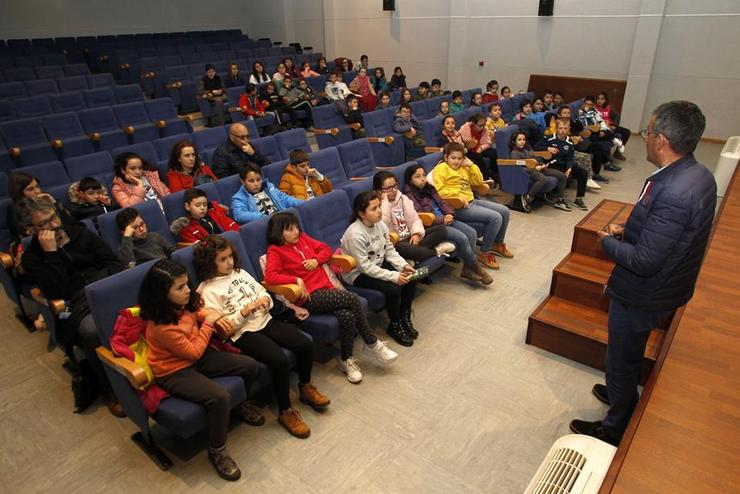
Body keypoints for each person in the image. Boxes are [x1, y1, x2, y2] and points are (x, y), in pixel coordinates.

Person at [569, 101, 716, 446]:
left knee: (621, 357)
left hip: (644, 292)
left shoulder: (675, 191)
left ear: (662, 140)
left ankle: (615, 426)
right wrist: (631, 229)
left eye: (648, 132)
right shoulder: (699, 175)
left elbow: (646, 261)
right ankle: (621, 395)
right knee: (628, 353)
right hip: (668, 285)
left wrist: (607, 242)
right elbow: (670, 233)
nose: (645, 138)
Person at [140, 259, 264, 481]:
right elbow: (195, 351)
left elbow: (196, 315)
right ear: (161, 293)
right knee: (219, 397)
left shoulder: (182, 305)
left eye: (187, 284)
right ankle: (217, 450)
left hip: (195, 356)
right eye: (180, 288)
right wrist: (209, 322)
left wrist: (207, 314)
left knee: (250, 365)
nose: (187, 290)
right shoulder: (161, 325)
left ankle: (241, 405)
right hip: (173, 370)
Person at [194, 236, 329, 439]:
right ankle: (286, 411)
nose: (230, 262)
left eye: (230, 256)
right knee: (279, 360)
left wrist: (266, 300)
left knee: (304, 342)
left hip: (265, 320)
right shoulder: (208, 290)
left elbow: (260, 290)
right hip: (243, 333)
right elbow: (225, 328)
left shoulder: (240, 272)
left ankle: (305, 387)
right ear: (209, 263)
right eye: (223, 259)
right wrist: (243, 313)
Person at [263, 212, 399, 384]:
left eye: (296, 227)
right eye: (290, 230)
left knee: (347, 315)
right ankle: (372, 343)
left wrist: (316, 259)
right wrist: (295, 279)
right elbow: (270, 277)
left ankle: (346, 360)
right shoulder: (275, 251)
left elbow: (326, 250)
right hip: (308, 297)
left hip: (326, 289)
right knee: (352, 299)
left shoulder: (303, 239)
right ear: (278, 232)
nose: (296, 231)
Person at [19, 196, 124, 416]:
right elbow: (56, 292)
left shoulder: (79, 232)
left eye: (54, 218)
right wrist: (51, 254)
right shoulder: (33, 258)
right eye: (45, 224)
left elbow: (112, 261)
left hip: (104, 288)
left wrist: (108, 287)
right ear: (31, 230)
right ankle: (111, 390)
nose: (55, 225)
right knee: (92, 330)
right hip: (69, 306)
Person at [340, 191, 418, 347]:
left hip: (377, 263)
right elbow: (365, 267)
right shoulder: (355, 234)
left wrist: (403, 265)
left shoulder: (380, 224)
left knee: (410, 278)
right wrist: (394, 276)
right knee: (394, 288)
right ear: (362, 214)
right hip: (358, 273)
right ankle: (394, 325)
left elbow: (389, 249)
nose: (379, 211)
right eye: (374, 209)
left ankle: (404, 316)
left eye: (379, 207)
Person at [403, 164, 492, 285]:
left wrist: (449, 213)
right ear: (410, 179)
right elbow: (419, 214)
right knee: (463, 238)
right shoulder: (409, 195)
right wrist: (441, 220)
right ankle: (477, 269)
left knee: (472, 233)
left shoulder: (429, 188)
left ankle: (467, 269)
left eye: (424, 175)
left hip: (446, 219)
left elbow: (442, 202)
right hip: (434, 225)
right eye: (417, 177)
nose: (422, 179)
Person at [433, 142, 513, 270]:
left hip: (471, 200)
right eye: (453, 158)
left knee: (505, 211)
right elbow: (439, 191)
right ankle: (484, 252)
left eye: (460, 158)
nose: (457, 162)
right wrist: (458, 197)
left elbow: (478, 181)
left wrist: (472, 165)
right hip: (457, 206)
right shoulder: (441, 169)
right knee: (495, 217)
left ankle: (497, 244)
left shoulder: (464, 167)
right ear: (446, 157)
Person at [373, 171, 455, 262]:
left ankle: (413, 256)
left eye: (395, 186)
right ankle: (436, 251)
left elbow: (415, 219)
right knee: (403, 247)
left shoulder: (403, 198)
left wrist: (416, 234)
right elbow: (382, 226)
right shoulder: (375, 206)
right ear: (378, 191)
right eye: (388, 188)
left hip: (411, 238)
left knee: (441, 230)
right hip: (396, 242)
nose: (394, 190)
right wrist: (385, 203)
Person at [509, 130, 570, 212]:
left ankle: (560, 199)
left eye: (524, 140)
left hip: (540, 168)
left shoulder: (526, 149)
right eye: (519, 140)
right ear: (514, 141)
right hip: (529, 172)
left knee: (562, 176)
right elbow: (518, 167)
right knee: (544, 179)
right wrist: (535, 168)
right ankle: (528, 197)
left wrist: (541, 165)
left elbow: (535, 157)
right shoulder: (514, 153)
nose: (522, 142)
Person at [230, 163, 303, 223]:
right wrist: (262, 217)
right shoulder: (239, 197)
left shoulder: (269, 187)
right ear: (243, 182)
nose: (256, 184)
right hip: (264, 224)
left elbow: (285, 199)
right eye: (251, 181)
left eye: (258, 180)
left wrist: (303, 203)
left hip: (282, 219)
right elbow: (239, 215)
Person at [545, 119, 589, 210]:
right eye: (560, 128)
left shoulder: (570, 142)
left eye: (565, 128)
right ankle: (559, 199)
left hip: (565, 164)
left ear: (569, 129)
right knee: (562, 175)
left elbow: (570, 157)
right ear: (556, 129)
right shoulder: (549, 138)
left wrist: (569, 168)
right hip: (553, 164)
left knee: (583, 172)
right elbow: (536, 148)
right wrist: (547, 148)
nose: (563, 130)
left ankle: (579, 198)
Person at [169, 188, 238, 243]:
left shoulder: (215, 213)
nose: (202, 208)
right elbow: (198, 247)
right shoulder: (186, 227)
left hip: (230, 241)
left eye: (205, 205)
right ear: (187, 206)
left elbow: (232, 226)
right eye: (197, 205)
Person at [459, 113, 499, 182]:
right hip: (467, 150)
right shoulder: (465, 128)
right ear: (473, 124)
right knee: (478, 156)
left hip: (479, 148)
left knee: (493, 152)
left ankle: (495, 173)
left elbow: (487, 143)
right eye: (480, 125)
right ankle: (486, 177)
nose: (482, 127)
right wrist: (470, 144)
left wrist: (481, 148)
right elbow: (462, 144)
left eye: (484, 125)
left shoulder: (485, 129)